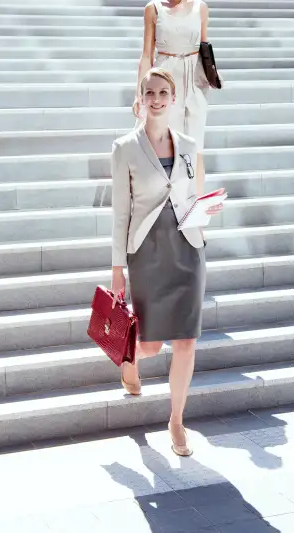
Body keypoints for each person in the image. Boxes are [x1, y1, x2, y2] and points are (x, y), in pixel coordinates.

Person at [110, 68, 223, 457]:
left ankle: (177, 420)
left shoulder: (190, 145)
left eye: (164, 92)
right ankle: (129, 356)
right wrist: (116, 269)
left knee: (187, 341)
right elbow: (120, 214)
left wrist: (206, 211)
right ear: (140, 99)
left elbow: (195, 196)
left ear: (174, 99)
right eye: (150, 92)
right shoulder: (124, 147)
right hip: (147, 252)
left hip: (188, 249)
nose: (157, 98)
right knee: (153, 345)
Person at [133, 0, 210, 191]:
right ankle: (163, 201)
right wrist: (139, 95)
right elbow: (146, 56)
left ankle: (196, 204)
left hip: (193, 84)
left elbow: (205, 48)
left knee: (196, 145)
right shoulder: (154, 9)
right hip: (164, 83)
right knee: (164, 143)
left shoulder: (200, 7)